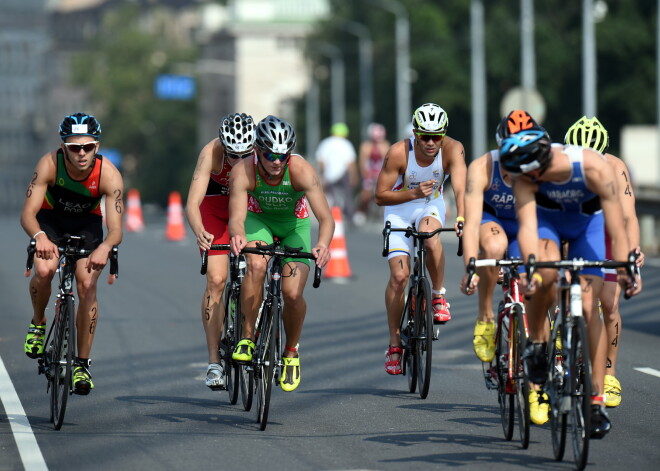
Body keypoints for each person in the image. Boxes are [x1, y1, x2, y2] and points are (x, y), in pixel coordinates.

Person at [500, 129, 641, 438]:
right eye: (524, 172)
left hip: (587, 225)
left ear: (545, 156)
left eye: (535, 170)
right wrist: (530, 266)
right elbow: (527, 227)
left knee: (589, 307)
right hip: (548, 223)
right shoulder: (525, 175)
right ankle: (537, 346)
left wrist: (628, 267)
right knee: (544, 276)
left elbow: (618, 228)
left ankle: (595, 400)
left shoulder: (592, 166)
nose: (531, 176)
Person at [20, 112, 124, 395]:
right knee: (44, 270)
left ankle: (81, 364)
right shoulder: (49, 165)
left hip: (87, 225)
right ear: (63, 146)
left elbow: (115, 229)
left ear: (97, 147)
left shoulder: (109, 175)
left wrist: (104, 248)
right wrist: (39, 236)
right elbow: (28, 215)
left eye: (87, 147)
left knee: (87, 284)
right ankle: (38, 323)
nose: (81, 153)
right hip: (51, 221)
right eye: (74, 147)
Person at [228, 115, 334, 392]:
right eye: (270, 155)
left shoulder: (301, 170)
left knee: (292, 293)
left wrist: (323, 244)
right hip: (258, 222)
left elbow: (326, 218)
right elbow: (237, 218)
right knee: (256, 266)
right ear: (257, 151)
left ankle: (290, 352)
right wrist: (238, 234)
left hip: (293, 226)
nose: (276, 161)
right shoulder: (242, 171)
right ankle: (248, 338)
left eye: (282, 156)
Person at [460, 110, 551, 425]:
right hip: (493, 221)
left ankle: (539, 383)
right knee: (494, 248)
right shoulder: (483, 167)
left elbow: (556, 216)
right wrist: (471, 265)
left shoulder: (542, 163)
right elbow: (471, 224)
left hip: (528, 224)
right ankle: (485, 315)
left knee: (536, 287)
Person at [375, 103, 466, 375]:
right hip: (400, 209)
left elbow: (461, 187)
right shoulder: (398, 153)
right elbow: (380, 196)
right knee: (400, 277)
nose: (430, 142)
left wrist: (461, 216)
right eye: (424, 136)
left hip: (431, 206)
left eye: (436, 136)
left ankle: (438, 296)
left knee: (429, 237)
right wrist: (412, 194)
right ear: (414, 133)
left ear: (444, 135)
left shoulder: (453, 149)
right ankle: (394, 343)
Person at [564, 116, 645, 408]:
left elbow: (627, 216)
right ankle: (558, 339)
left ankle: (609, 375)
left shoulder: (616, 167)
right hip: (572, 227)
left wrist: (632, 253)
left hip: (606, 232)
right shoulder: (558, 166)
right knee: (552, 279)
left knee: (609, 306)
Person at [185, 112, 256, 389]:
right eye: (233, 155)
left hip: (248, 210)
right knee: (216, 280)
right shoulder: (211, 153)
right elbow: (192, 203)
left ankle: (254, 329)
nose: (239, 161)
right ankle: (214, 361)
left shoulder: (261, 153)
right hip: (215, 210)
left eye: (245, 155)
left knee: (258, 266)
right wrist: (199, 231)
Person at [315, 122, 359, 222]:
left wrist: (322, 175)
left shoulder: (325, 143)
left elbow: (321, 161)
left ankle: (331, 215)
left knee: (330, 195)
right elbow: (350, 163)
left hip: (329, 174)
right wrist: (354, 176)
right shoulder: (346, 144)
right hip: (343, 173)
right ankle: (349, 216)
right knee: (347, 194)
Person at [354, 123, 390, 226]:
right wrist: (365, 174)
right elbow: (362, 162)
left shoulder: (385, 145)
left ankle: (383, 213)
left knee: (385, 193)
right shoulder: (366, 146)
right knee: (366, 193)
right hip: (369, 173)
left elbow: (387, 161)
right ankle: (361, 211)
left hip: (381, 172)